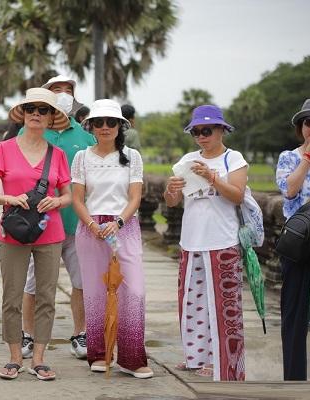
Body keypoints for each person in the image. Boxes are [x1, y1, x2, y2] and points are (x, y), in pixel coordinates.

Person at [0, 87, 72, 381]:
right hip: (14, 231)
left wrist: (57, 201)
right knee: (12, 295)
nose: (36, 113)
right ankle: (14, 357)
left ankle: (40, 358)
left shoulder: (57, 154)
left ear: (50, 118)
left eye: (43, 110)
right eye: (31, 108)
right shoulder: (3, 148)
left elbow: (69, 195)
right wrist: (9, 198)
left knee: (46, 296)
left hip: (51, 231)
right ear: (23, 114)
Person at [164, 105, 247, 381]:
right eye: (197, 131)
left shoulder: (232, 159)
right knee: (191, 301)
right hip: (191, 241)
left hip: (222, 241)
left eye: (207, 130)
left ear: (222, 129)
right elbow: (173, 202)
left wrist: (212, 178)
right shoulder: (187, 160)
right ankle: (195, 357)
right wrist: (171, 191)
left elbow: (236, 195)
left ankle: (225, 363)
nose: (201, 136)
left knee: (225, 307)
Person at [71, 99, 152, 378]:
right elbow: (78, 199)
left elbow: (135, 197)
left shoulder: (133, 157)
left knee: (134, 291)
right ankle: (100, 354)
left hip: (124, 227)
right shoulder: (81, 157)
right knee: (95, 294)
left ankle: (132, 358)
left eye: (111, 122)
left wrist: (118, 222)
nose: (105, 127)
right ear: (91, 126)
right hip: (91, 229)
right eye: (99, 122)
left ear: (120, 126)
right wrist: (92, 224)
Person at [20, 75, 96, 360]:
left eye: (68, 90)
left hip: (76, 225)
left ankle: (80, 333)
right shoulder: (31, 132)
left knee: (81, 282)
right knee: (33, 284)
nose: (64, 94)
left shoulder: (85, 137)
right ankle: (28, 335)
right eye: (57, 90)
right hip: (38, 226)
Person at [275, 97, 310, 381]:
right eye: (309, 123)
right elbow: (290, 191)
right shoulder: (289, 157)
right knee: (293, 314)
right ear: (300, 126)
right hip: (299, 244)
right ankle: (294, 378)